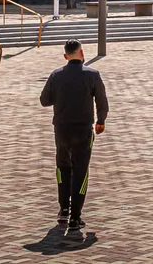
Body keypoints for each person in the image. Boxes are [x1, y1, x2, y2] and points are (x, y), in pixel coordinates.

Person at [39, 40, 109, 240]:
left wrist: (61, 95)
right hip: (83, 129)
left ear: (65, 56)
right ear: (82, 53)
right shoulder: (92, 75)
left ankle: (63, 210)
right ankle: (76, 218)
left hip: (61, 130)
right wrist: (101, 120)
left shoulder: (56, 75)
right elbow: (102, 100)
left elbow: (45, 100)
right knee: (81, 171)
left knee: (63, 168)